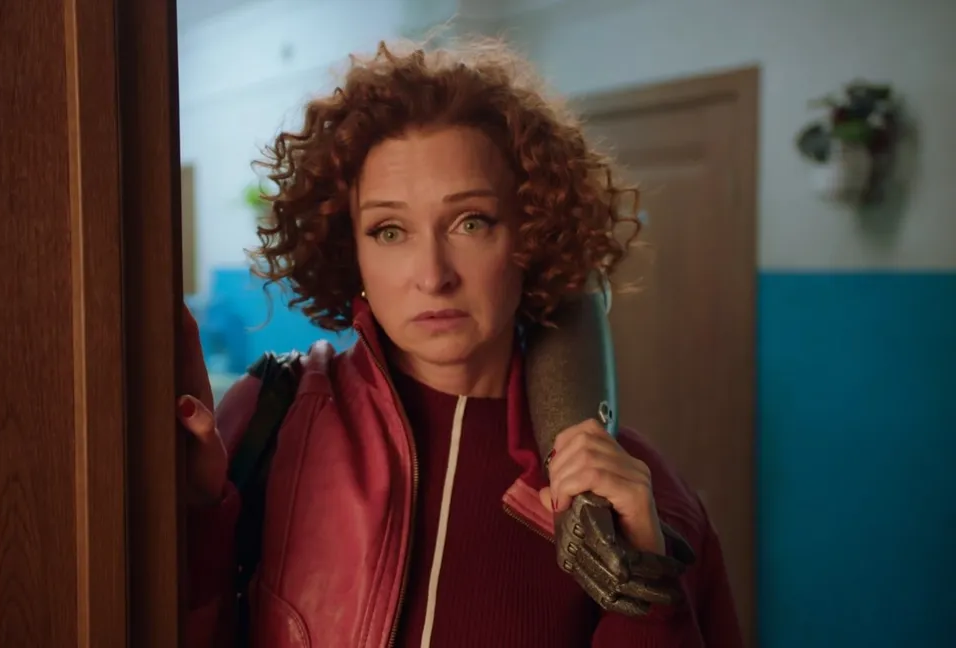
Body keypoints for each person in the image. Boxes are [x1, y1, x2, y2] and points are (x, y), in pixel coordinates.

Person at [179, 37, 743, 648]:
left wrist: (646, 589)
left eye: (471, 222)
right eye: (389, 230)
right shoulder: (272, 421)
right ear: (351, 251)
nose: (432, 274)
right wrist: (195, 519)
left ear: (531, 234)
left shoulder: (640, 498)